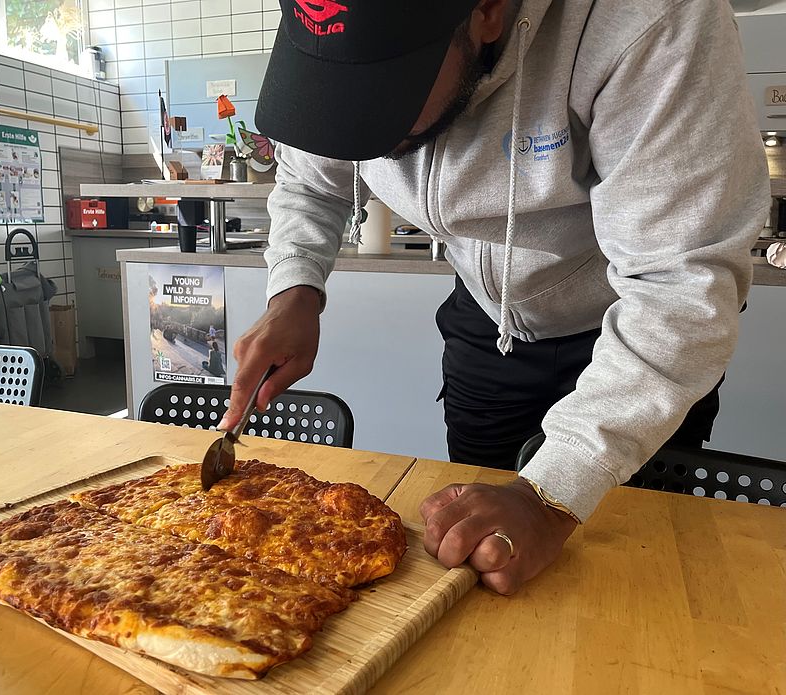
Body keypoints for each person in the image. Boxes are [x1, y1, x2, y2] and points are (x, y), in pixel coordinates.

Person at [219, 0, 772, 595]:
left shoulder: (650, 22)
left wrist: (549, 497)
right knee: (475, 557)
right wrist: (295, 291)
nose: (362, 133)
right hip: (490, 325)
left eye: (385, 89)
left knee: (638, 564)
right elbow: (308, 181)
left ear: (486, 13)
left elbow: (679, 287)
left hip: (636, 330)